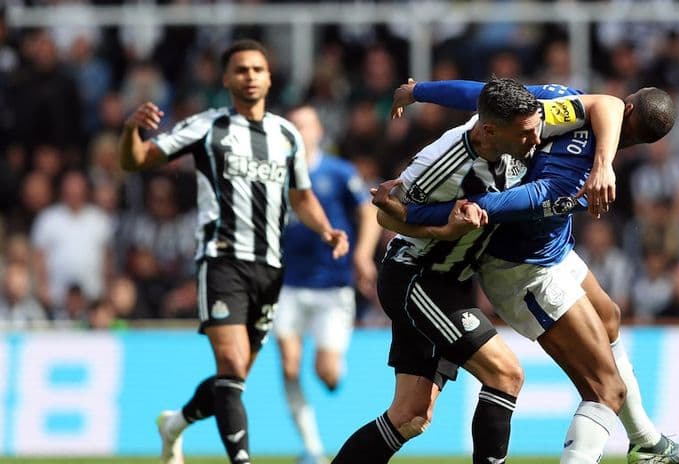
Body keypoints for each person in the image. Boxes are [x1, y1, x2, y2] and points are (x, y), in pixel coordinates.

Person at [378, 79, 679, 463]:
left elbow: (487, 95)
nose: (533, 137)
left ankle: (646, 442)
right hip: (523, 270)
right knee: (606, 389)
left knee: (609, 318)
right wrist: (408, 212)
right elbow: (484, 205)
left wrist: (420, 90)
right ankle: (637, 447)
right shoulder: (570, 183)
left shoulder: (556, 103)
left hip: (553, 252)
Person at [331, 77, 627, 464]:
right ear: (489, 129)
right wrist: (444, 229)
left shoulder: (526, 119)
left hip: (455, 280)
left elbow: (606, 104)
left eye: (536, 128)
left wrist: (418, 90)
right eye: (524, 135)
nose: (535, 141)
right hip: (419, 278)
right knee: (506, 375)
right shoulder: (439, 165)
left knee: (410, 417)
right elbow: (390, 216)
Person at [118, 39, 349, 464]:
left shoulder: (286, 135)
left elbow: (302, 198)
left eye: (257, 69)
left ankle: (175, 425)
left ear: (269, 77)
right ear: (226, 79)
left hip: (270, 268)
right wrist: (132, 129)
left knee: (234, 376)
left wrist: (327, 230)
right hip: (221, 258)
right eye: (241, 70)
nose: (249, 77)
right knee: (230, 360)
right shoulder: (206, 126)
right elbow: (137, 162)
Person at [275, 105, 380, 464]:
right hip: (287, 284)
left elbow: (369, 212)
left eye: (305, 125)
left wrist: (363, 256)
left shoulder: (338, 172)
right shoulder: (276, 173)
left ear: (319, 131)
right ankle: (311, 447)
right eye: (293, 126)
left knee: (326, 372)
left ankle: (335, 372)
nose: (299, 131)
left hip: (332, 287)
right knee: (289, 365)